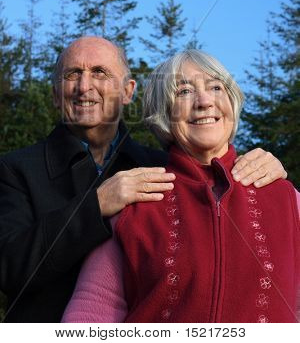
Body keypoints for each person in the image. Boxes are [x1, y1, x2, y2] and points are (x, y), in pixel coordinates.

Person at [0, 38, 287, 323]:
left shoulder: (159, 167)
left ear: (128, 91)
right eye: (72, 74)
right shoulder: (15, 169)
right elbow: (7, 266)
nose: (84, 86)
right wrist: (95, 206)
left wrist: (269, 173)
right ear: (55, 94)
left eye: (100, 72)